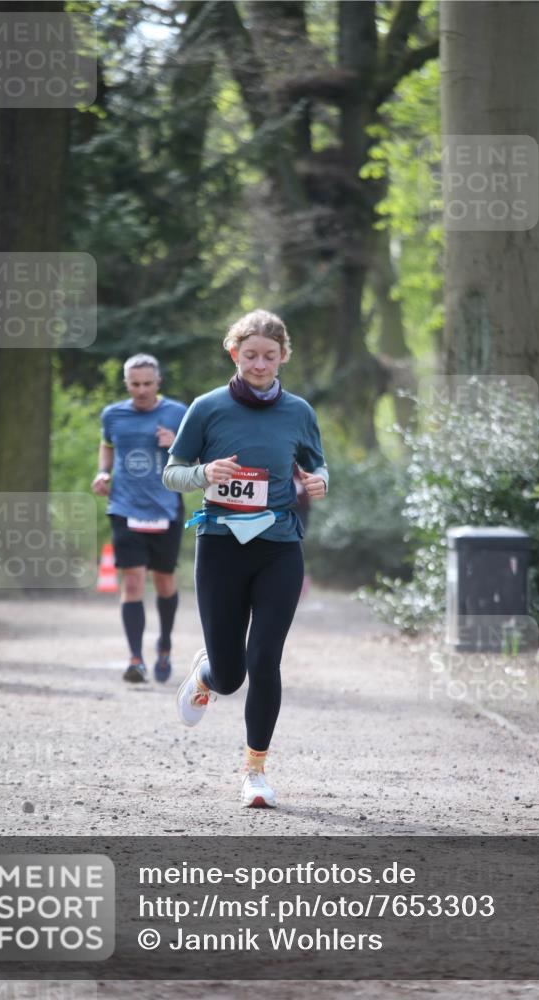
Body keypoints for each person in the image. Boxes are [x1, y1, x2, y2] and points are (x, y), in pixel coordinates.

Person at [163, 309, 328, 808]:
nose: (260, 364)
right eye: (251, 354)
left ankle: (255, 772)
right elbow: (173, 472)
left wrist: (319, 481)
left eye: (270, 356)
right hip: (220, 546)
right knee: (232, 674)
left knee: (265, 659)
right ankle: (207, 673)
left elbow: (316, 464)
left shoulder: (298, 411)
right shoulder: (208, 407)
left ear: (282, 358)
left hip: (279, 546)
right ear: (234, 353)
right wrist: (204, 473)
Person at [91, 354, 186, 684]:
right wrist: (103, 473)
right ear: (126, 384)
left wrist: (176, 444)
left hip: (166, 509)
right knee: (132, 581)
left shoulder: (178, 413)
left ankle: (165, 644)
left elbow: (199, 456)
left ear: (158, 382)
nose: (142, 390)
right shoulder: (113, 415)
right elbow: (107, 448)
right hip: (124, 507)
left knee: (163, 582)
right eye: (135, 385)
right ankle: (135, 658)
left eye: (148, 384)